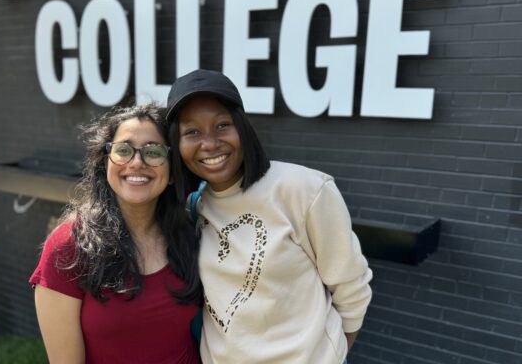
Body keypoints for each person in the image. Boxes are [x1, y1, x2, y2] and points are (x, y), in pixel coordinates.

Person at [166, 69, 373, 364]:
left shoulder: (304, 189)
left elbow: (352, 289)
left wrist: (332, 355)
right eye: (192, 132)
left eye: (222, 125)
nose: (209, 144)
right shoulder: (194, 208)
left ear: (243, 127)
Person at [29, 104, 201, 364]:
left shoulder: (189, 233)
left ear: (172, 173)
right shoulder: (69, 247)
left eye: (153, 151)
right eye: (123, 150)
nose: (137, 162)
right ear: (105, 163)